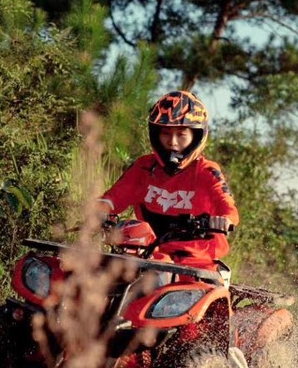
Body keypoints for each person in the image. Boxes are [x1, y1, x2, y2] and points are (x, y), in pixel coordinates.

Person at [98, 90, 239, 269]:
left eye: (181, 135)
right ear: (156, 134)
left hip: (197, 266)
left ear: (196, 136)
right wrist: (101, 209)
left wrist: (225, 220)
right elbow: (114, 198)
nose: (172, 142)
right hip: (149, 257)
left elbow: (228, 208)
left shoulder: (206, 171)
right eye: (166, 133)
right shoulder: (144, 167)